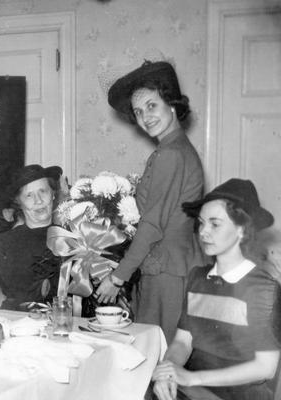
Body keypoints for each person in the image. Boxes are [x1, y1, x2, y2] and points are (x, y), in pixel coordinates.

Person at [96, 60, 205, 341]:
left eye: (151, 105)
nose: (145, 117)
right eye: (138, 111)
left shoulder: (171, 154)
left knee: (157, 355)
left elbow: (153, 224)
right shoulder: (172, 148)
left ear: (171, 103)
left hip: (167, 270)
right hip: (167, 265)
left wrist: (117, 277)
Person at [152, 178, 280, 400]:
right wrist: (168, 372)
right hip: (192, 389)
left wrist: (194, 378)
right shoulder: (198, 278)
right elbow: (183, 342)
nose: (203, 232)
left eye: (215, 224)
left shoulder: (263, 289)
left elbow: (265, 367)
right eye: (201, 223)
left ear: (241, 229)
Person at [0, 164, 63, 310]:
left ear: (53, 194)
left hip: (59, 319)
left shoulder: (69, 238)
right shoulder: (9, 241)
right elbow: (11, 289)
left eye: (43, 191)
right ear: (20, 202)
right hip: (18, 318)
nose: (38, 200)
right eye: (29, 195)